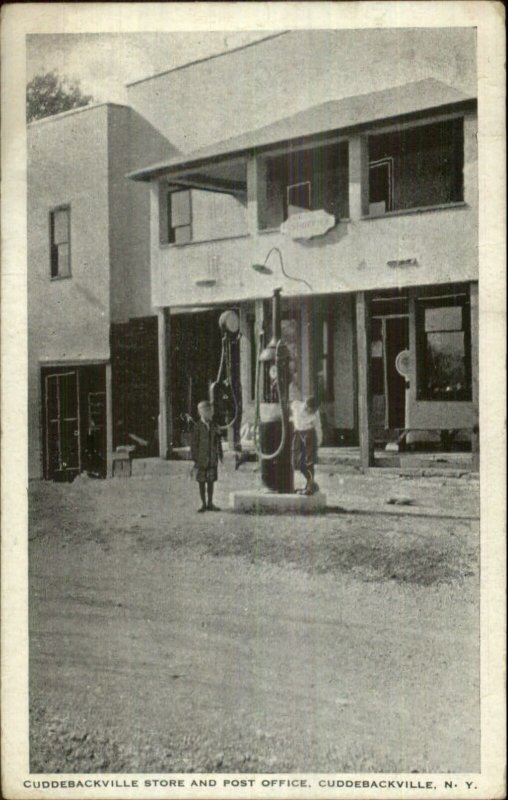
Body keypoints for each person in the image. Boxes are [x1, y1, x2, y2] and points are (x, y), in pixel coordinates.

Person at [190, 400, 223, 512]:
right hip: (201, 460)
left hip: (212, 459)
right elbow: (194, 445)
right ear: (201, 412)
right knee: (201, 482)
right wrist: (195, 459)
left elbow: (218, 442)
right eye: (207, 411)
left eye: (211, 411)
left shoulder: (214, 426)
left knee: (211, 481)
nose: (210, 413)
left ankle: (210, 503)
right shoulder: (197, 427)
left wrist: (220, 456)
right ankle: (203, 503)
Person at [291, 396, 322, 495]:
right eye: (311, 410)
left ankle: (310, 485)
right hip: (298, 433)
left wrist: (318, 443)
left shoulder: (315, 414)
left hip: (309, 434)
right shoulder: (295, 405)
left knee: (309, 461)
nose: (312, 412)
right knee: (296, 462)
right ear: (307, 406)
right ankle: (311, 483)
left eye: (314, 411)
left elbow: (318, 427)